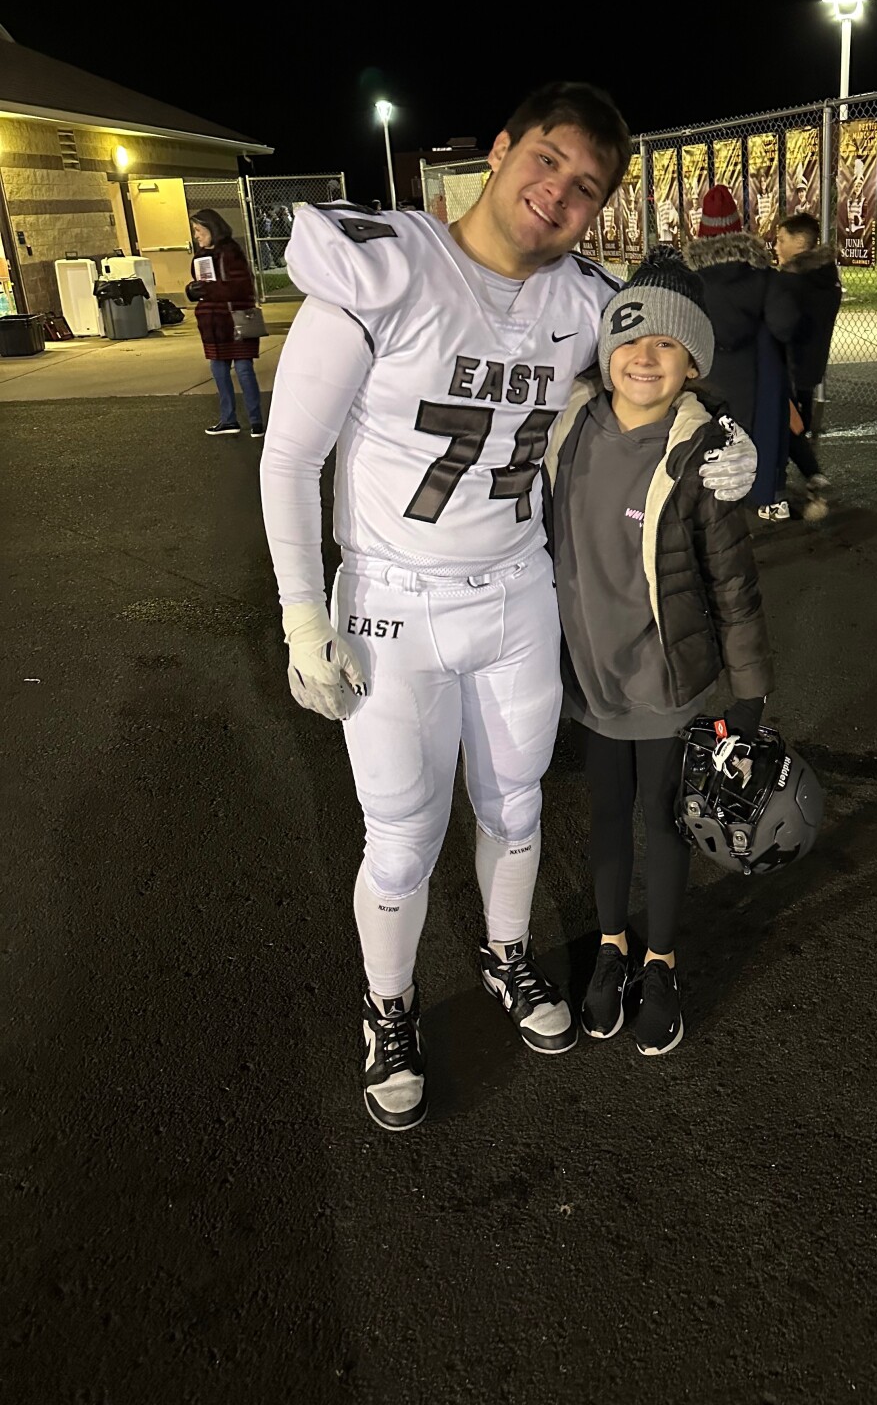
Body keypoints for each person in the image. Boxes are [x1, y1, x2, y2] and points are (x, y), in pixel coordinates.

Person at [258, 82, 758, 1132]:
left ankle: (504, 954)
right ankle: (388, 1008)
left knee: (518, 806)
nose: (558, 194)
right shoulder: (388, 268)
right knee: (401, 837)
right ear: (499, 151)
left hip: (517, 590)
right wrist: (304, 615)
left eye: (587, 187)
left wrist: (722, 435)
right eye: (547, 160)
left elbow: (650, 378)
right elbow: (291, 456)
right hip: (394, 598)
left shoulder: (584, 302)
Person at [544, 247, 773, 1055]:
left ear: (693, 363)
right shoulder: (568, 426)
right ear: (606, 348)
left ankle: (662, 960)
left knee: (664, 817)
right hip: (591, 672)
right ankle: (612, 946)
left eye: (668, 344)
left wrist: (749, 690)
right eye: (631, 339)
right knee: (606, 813)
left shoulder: (700, 454)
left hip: (663, 677)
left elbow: (733, 582)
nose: (645, 357)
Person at [683, 184, 803, 524]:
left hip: (705, 373)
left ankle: (702, 499)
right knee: (766, 430)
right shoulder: (764, 278)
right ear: (739, 232)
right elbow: (785, 325)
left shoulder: (690, 281)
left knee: (704, 431)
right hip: (757, 377)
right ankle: (768, 498)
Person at [775, 211, 841, 521]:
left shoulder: (791, 282)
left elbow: (778, 324)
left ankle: (802, 479)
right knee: (796, 421)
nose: (776, 246)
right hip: (811, 366)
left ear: (800, 242)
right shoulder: (827, 277)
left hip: (787, 365)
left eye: (781, 240)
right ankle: (811, 476)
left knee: (784, 424)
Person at [186, 209, 263, 438]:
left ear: (212, 229)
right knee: (219, 369)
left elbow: (241, 287)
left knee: (243, 369)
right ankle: (229, 419)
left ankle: (256, 421)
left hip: (234, 320)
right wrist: (192, 290)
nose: (196, 236)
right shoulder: (201, 255)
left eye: (199, 230)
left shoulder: (230, 252)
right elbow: (200, 283)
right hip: (213, 323)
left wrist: (208, 289)